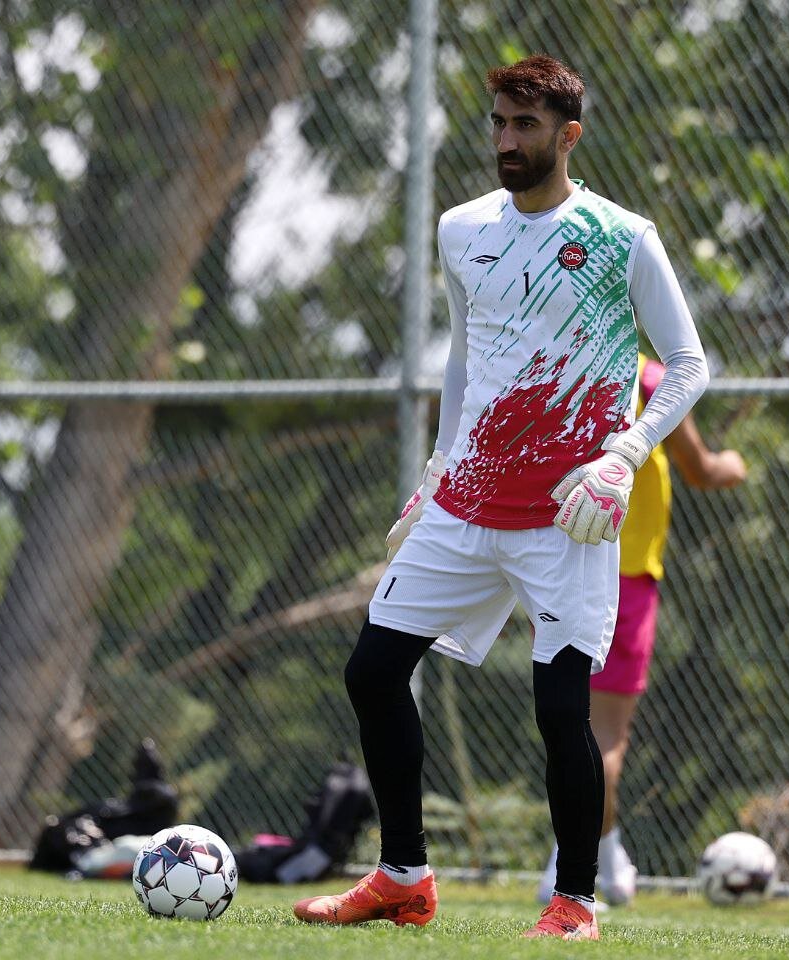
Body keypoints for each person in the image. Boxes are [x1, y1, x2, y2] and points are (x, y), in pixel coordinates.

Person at [293, 55, 709, 940]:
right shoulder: (461, 229)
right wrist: (439, 467)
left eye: (526, 126)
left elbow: (688, 364)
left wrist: (626, 454)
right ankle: (404, 877)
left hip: (567, 517)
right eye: (499, 123)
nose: (507, 141)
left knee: (560, 710)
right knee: (372, 670)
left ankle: (575, 903)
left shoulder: (622, 236)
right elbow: (463, 354)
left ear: (569, 135)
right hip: (466, 503)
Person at [537, 353, 747, 907]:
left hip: (554, 568)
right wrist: (734, 463)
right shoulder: (651, 380)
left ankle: (593, 859)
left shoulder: (559, 365)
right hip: (623, 580)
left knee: (564, 722)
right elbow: (702, 470)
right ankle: (579, 866)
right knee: (604, 737)